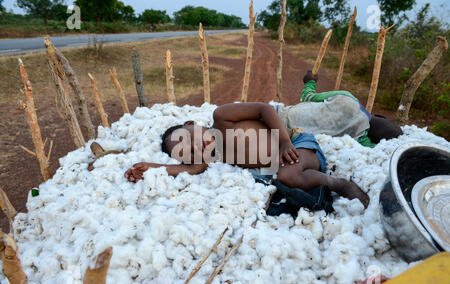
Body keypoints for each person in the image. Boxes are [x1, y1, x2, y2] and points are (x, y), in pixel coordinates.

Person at [125, 102, 370, 208]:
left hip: (297, 143)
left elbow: (263, 109)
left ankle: (336, 183)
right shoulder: (213, 156)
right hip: (285, 166)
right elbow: (192, 170)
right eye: (190, 152)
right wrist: (152, 167)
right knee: (286, 178)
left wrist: (284, 141)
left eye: (190, 137)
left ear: (192, 123)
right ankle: (324, 182)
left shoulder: (222, 118)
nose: (197, 146)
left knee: (289, 176)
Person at [299, 70, 403, 147]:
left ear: (379, 117)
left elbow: (308, 97)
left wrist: (310, 81)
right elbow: (376, 150)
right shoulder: (360, 139)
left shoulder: (348, 98)